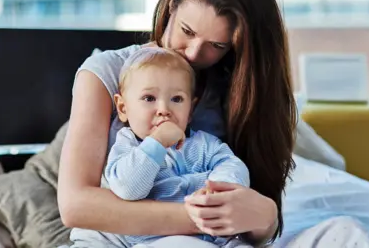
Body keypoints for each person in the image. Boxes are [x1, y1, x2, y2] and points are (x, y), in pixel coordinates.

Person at [59, 0, 295, 247]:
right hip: (122, 241)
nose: (194, 53)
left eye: (217, 45)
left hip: (215, 239)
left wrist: (265, 215)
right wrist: (204, 217)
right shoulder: (106, 72)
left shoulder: (240, 91)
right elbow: (75, 206)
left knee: (344, 231)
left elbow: (253, 221)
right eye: (187, 31)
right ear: (172, 4)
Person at [72, 47, 253, 248]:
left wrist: (218, 190)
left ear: (190, 110)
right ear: (123, 108)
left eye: (176, 99)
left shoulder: (204, 144)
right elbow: (128, 189)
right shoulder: (127, 147)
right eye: (149, 98)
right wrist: (156, 142)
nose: (164, 110)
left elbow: (233, 166)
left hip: (207, 238)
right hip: (146, 240)